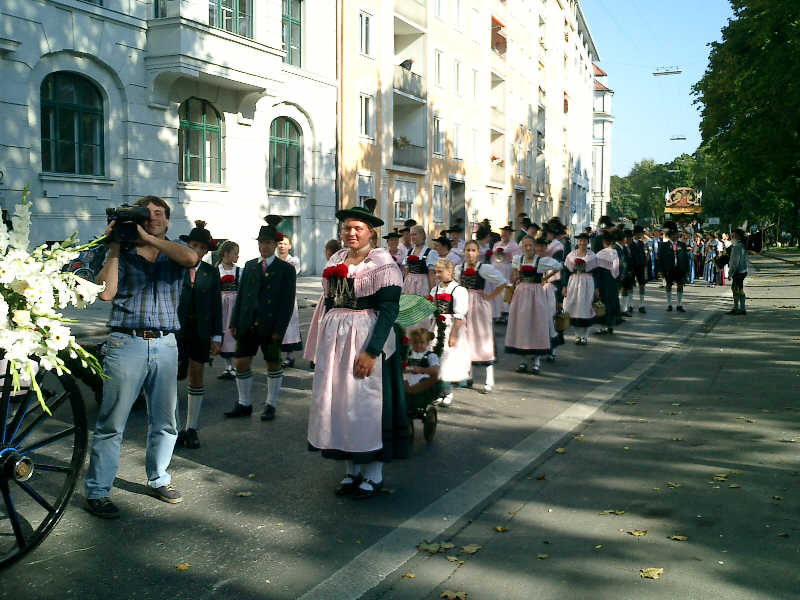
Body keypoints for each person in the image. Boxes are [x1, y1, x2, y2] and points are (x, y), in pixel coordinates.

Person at [84, 195, 198, 518]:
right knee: (112, 423)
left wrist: (149, 239)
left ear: (167, 220)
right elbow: (106, 292)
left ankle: (159, 478)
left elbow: (191, 259)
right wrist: (115, 247)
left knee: (165, 421)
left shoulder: (175, 249)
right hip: (126, 343)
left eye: (159, 214)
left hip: (166, 344)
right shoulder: (121, 251)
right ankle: (98, 491)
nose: (152, 218)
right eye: (145, 214)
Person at [307, 205, 409, 500]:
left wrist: (372, 351)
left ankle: (373, 473)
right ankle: (351, 469)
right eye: (347, 228)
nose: (351, 233)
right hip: (336, 342)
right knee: (340, 401)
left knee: (365, 404)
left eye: (358, 229)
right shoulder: (337, 258)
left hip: (365, 337)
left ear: (370, 233)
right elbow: (328, 302)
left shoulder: (382, 263)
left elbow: (389, 311)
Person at [224, 216, 296, 421]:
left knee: (273, 364)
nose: (264, 246)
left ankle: (271, 404)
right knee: (241, 362)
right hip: (247, 324)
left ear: (275, 244)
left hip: (270, 326)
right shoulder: (250, 266)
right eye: (261, 242)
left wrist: (279, 330)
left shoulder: (285, 269)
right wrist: (234, 322)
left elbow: (287, 303)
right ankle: (244, 403)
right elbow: (241, 296)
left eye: (268, 242)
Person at [176, 221, 223, 450]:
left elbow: (216, 305)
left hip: (201, 330)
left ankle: (191, 428)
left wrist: (217, 336)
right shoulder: (175, 267)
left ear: (206, 251)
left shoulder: (211, 272)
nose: (197, 250)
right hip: (176, 330)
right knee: (172, 376)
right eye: (193, 245)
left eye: (202, 247)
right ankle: (174, 429)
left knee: (197, 373)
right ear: (188, 245)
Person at [457, 240, 508, 394]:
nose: (470, 253)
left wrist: (489, 296)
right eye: (467, 250)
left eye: (473, 250)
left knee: (482, 339)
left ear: (478, 253)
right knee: (466, 339)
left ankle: (489, 380)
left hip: (479, 306)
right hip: (464, 304)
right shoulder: (460, 268)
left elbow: (502, 282)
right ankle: (469, 375)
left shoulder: (483, 268)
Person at [505, 236, 561, 374]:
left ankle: (536, 362)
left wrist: (545, 278)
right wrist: (517, 278)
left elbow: (558, 266)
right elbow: (514, 271)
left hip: (536, 294)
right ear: (522, 247)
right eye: (525, 245)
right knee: (522, 326)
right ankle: (523, 360)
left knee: (537, 325)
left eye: (530, 245)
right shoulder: (519, 259)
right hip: (521, 294)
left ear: (534, 246)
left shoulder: (540, 261)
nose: (528, 248)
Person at [429, 259, 470, 405]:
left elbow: (460, 315)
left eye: (440, 272)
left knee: (448, 359)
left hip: (451, 327)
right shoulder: (435, 289)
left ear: (450, 271)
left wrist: (453, 335)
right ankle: (439, 391)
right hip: (437, 326)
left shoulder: (458, 290)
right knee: (436, 357)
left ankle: (448, 392)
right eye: (436, 272)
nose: (437, 275)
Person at [303, 239, 341, 371]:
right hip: (334, 298)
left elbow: (326, 285)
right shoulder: (340, 263)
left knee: (322, 329)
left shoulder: (331, 265)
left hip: (328, 299)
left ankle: (318, 357)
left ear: (329, 252)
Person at [563, 233, 598, 344]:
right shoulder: (571, 255)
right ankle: (577, 335)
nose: (582, 243)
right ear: (577, 242)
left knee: (586, 307)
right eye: (580, 241)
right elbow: (565, 272)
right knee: (574, 308)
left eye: (584, 241)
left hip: (587, 282)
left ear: (588, 242)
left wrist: (597, 288)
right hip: (574, 282)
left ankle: (585, 336)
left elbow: (596, 273)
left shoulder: (592, 256)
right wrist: (564, 286)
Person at [276, 235, 302, 368]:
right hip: (274, 297)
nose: (282, 246)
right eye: (280, 243)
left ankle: (290, 356)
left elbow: (290, 274)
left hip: (288, 296)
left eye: (285, 244)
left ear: (290, 246)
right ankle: (276, 355)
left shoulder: (293, 260)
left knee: (289, 325)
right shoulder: (273, 259)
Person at [217, 240, 241, 380]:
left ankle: (236, 366)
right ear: (226, 254)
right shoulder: (217, 270)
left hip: (234, 305)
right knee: (224, 334)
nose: (237, 256)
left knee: (234, 332)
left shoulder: (238, 270)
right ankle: (228, 366)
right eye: (235, 253)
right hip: (222, 306)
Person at [490, 224, 520, 323]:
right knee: (496, 290)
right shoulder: (497, 244)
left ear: (510, 234)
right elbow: (492, 257)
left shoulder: (514, 245)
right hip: (496, 269)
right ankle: (496, 312)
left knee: (506, 290)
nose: (504, 234)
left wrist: (515, 272)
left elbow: (516, 259)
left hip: (507, 269)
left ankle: (506, 313)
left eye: (507, 233)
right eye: (503, 233)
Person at [658, 224, 691, 313]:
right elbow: (660, 259)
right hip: (668, 269)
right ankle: (669, 304)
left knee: (680, 285)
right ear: (670, 235)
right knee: (668, 285)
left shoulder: (682, 245)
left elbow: (686, 259)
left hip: (680, 269)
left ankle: (679, 304)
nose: (676, 236)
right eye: (674, 234)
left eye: (677, 234)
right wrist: (660, 270)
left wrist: (687, 270)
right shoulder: (663, 245)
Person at [403, 328, 440, 404]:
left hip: (421, 382)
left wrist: (421, 370)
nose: (418, 345)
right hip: (407, 380)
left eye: (422, 342)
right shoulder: (407, 354)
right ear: (411, 342)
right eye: (415, 342)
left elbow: (435, 369)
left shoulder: (430, 355)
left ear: (427, 343)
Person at [595, 233, 622, 335]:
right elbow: (617, 269)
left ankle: (602, 327)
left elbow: (596, 269)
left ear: (603, 242)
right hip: (612, 280)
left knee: (602, 302)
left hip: (603, 280)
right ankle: (610, 325)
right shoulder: (615, 252)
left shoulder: (600, 254)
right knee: (612, 301)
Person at [402, 225, 439, 297]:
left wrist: (432, 294)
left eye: (415, 234)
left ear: (422, 235)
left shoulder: (430, 253)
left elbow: (431, 275)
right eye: (411, 235)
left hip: (423, 285)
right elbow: (406, 273)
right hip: (410, 285)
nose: (412, 237)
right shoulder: (409, 252)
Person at [727, 228, 749, 315]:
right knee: (738, 288)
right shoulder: (743, 245)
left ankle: (739, 309)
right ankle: (740, 308)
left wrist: (730, 273)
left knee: (736, 289)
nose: (732, 237)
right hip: (743, 270)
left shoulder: (737, 247)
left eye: (733, 235)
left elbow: (735, 262)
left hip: (738, 271)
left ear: (737, 236)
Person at [630, 225, 648, 313]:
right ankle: (630, 304)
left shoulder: (641, 243)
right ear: (637, 233)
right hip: (632, 266)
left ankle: (642, 304)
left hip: (640, 266)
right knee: (630, 286)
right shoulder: (630, 243)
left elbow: (644, 255)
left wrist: (644, 265)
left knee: (642, 285)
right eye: (641, 233)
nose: (642, 234)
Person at [619, 229, 635, 317]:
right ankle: (623, 309)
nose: (631, 239)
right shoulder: (622, 248)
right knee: (623, 290)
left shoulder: (630, 247)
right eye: (629, 238)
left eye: (631, 238)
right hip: (624, 272)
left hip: (629, 272)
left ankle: (625, 308)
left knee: (627, 289)